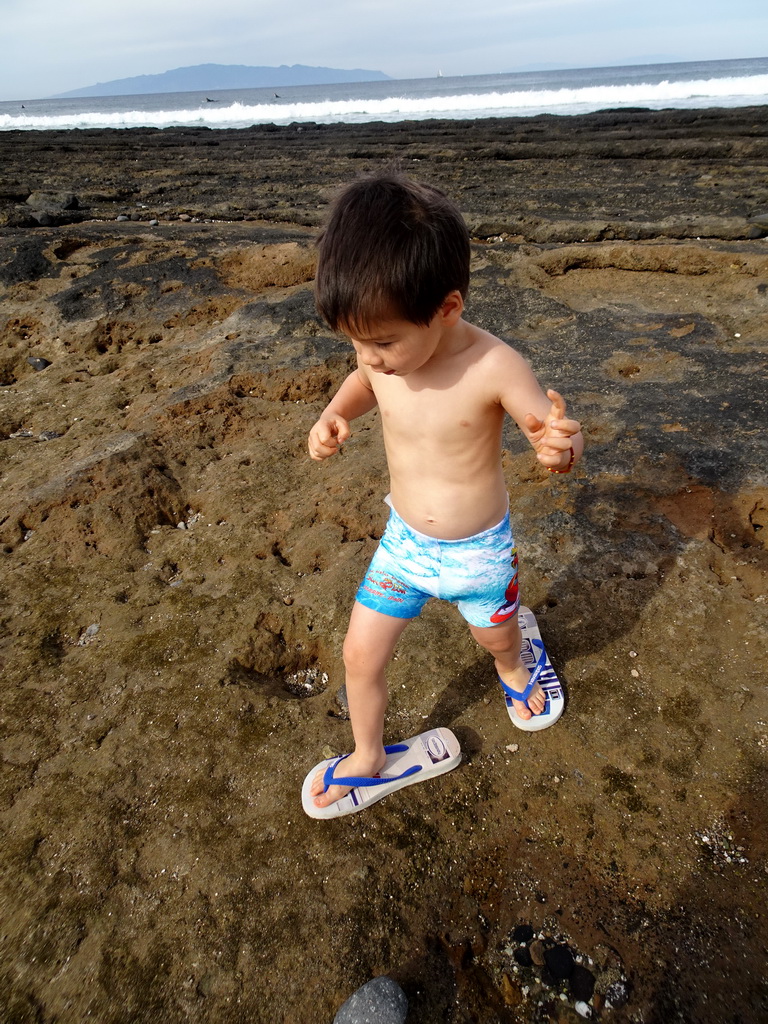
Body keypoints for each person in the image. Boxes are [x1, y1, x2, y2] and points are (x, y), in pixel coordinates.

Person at [303, 171, 583, 817]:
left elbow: (551, 435)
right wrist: (334, 413)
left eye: (381, 341)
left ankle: (516, 668)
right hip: (403, 548)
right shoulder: (382, 360)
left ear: (448, 307)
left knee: (497, 638)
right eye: (354, 340)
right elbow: (363, 384)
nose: (368, 357)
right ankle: (369, 758)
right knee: (358, 653)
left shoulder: (494, 366)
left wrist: (561, 449)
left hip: (478, 554)